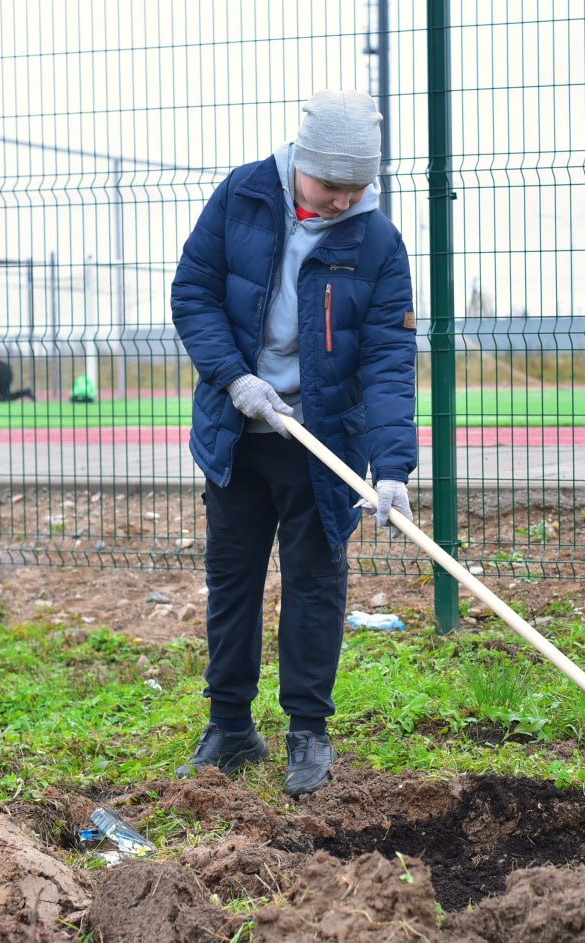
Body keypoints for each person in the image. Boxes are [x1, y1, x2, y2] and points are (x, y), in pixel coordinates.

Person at [170, 90, 417, 797]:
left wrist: (392, 466)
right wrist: (234, 378)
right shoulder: (244, 195)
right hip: (238, 432)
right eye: (329, 185)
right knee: (234, 581)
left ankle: (308, 730)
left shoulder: (377, 243)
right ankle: (230, 727)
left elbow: (388, 360)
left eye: (356, 187)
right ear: (300, 164)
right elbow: (193, 292)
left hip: (322, 442)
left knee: (314, 584)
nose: (341, 200)